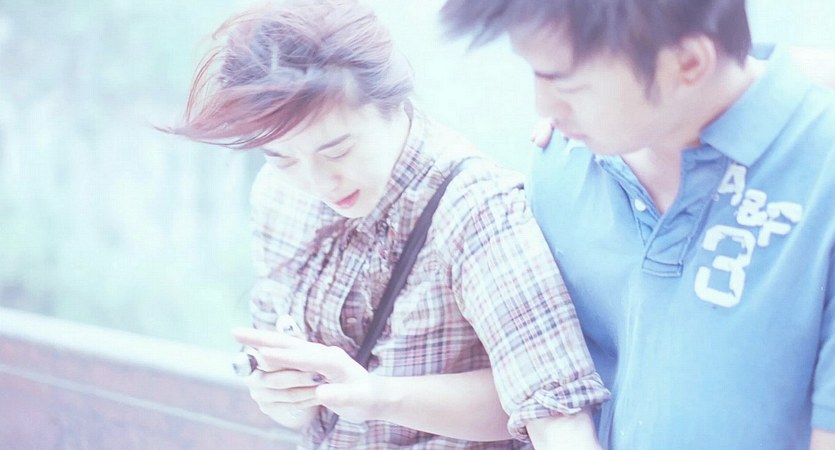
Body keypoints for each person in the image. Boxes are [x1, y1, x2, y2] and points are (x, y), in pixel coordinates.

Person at [164, 1, 609, 448]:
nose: (319, 182)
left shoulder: (474, 207)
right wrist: (281, 393)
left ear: (391, 103)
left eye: (337, 150)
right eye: (283, 158)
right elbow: (297, 417)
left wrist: (379, 396)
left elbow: (556, 413)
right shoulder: (278, 193)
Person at [441, 1, 835, 449]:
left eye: (567, 83)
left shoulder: (820, 177)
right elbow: (532, 389)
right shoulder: (561, 162)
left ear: (688, 63)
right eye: (535, 72)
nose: (544, 107)